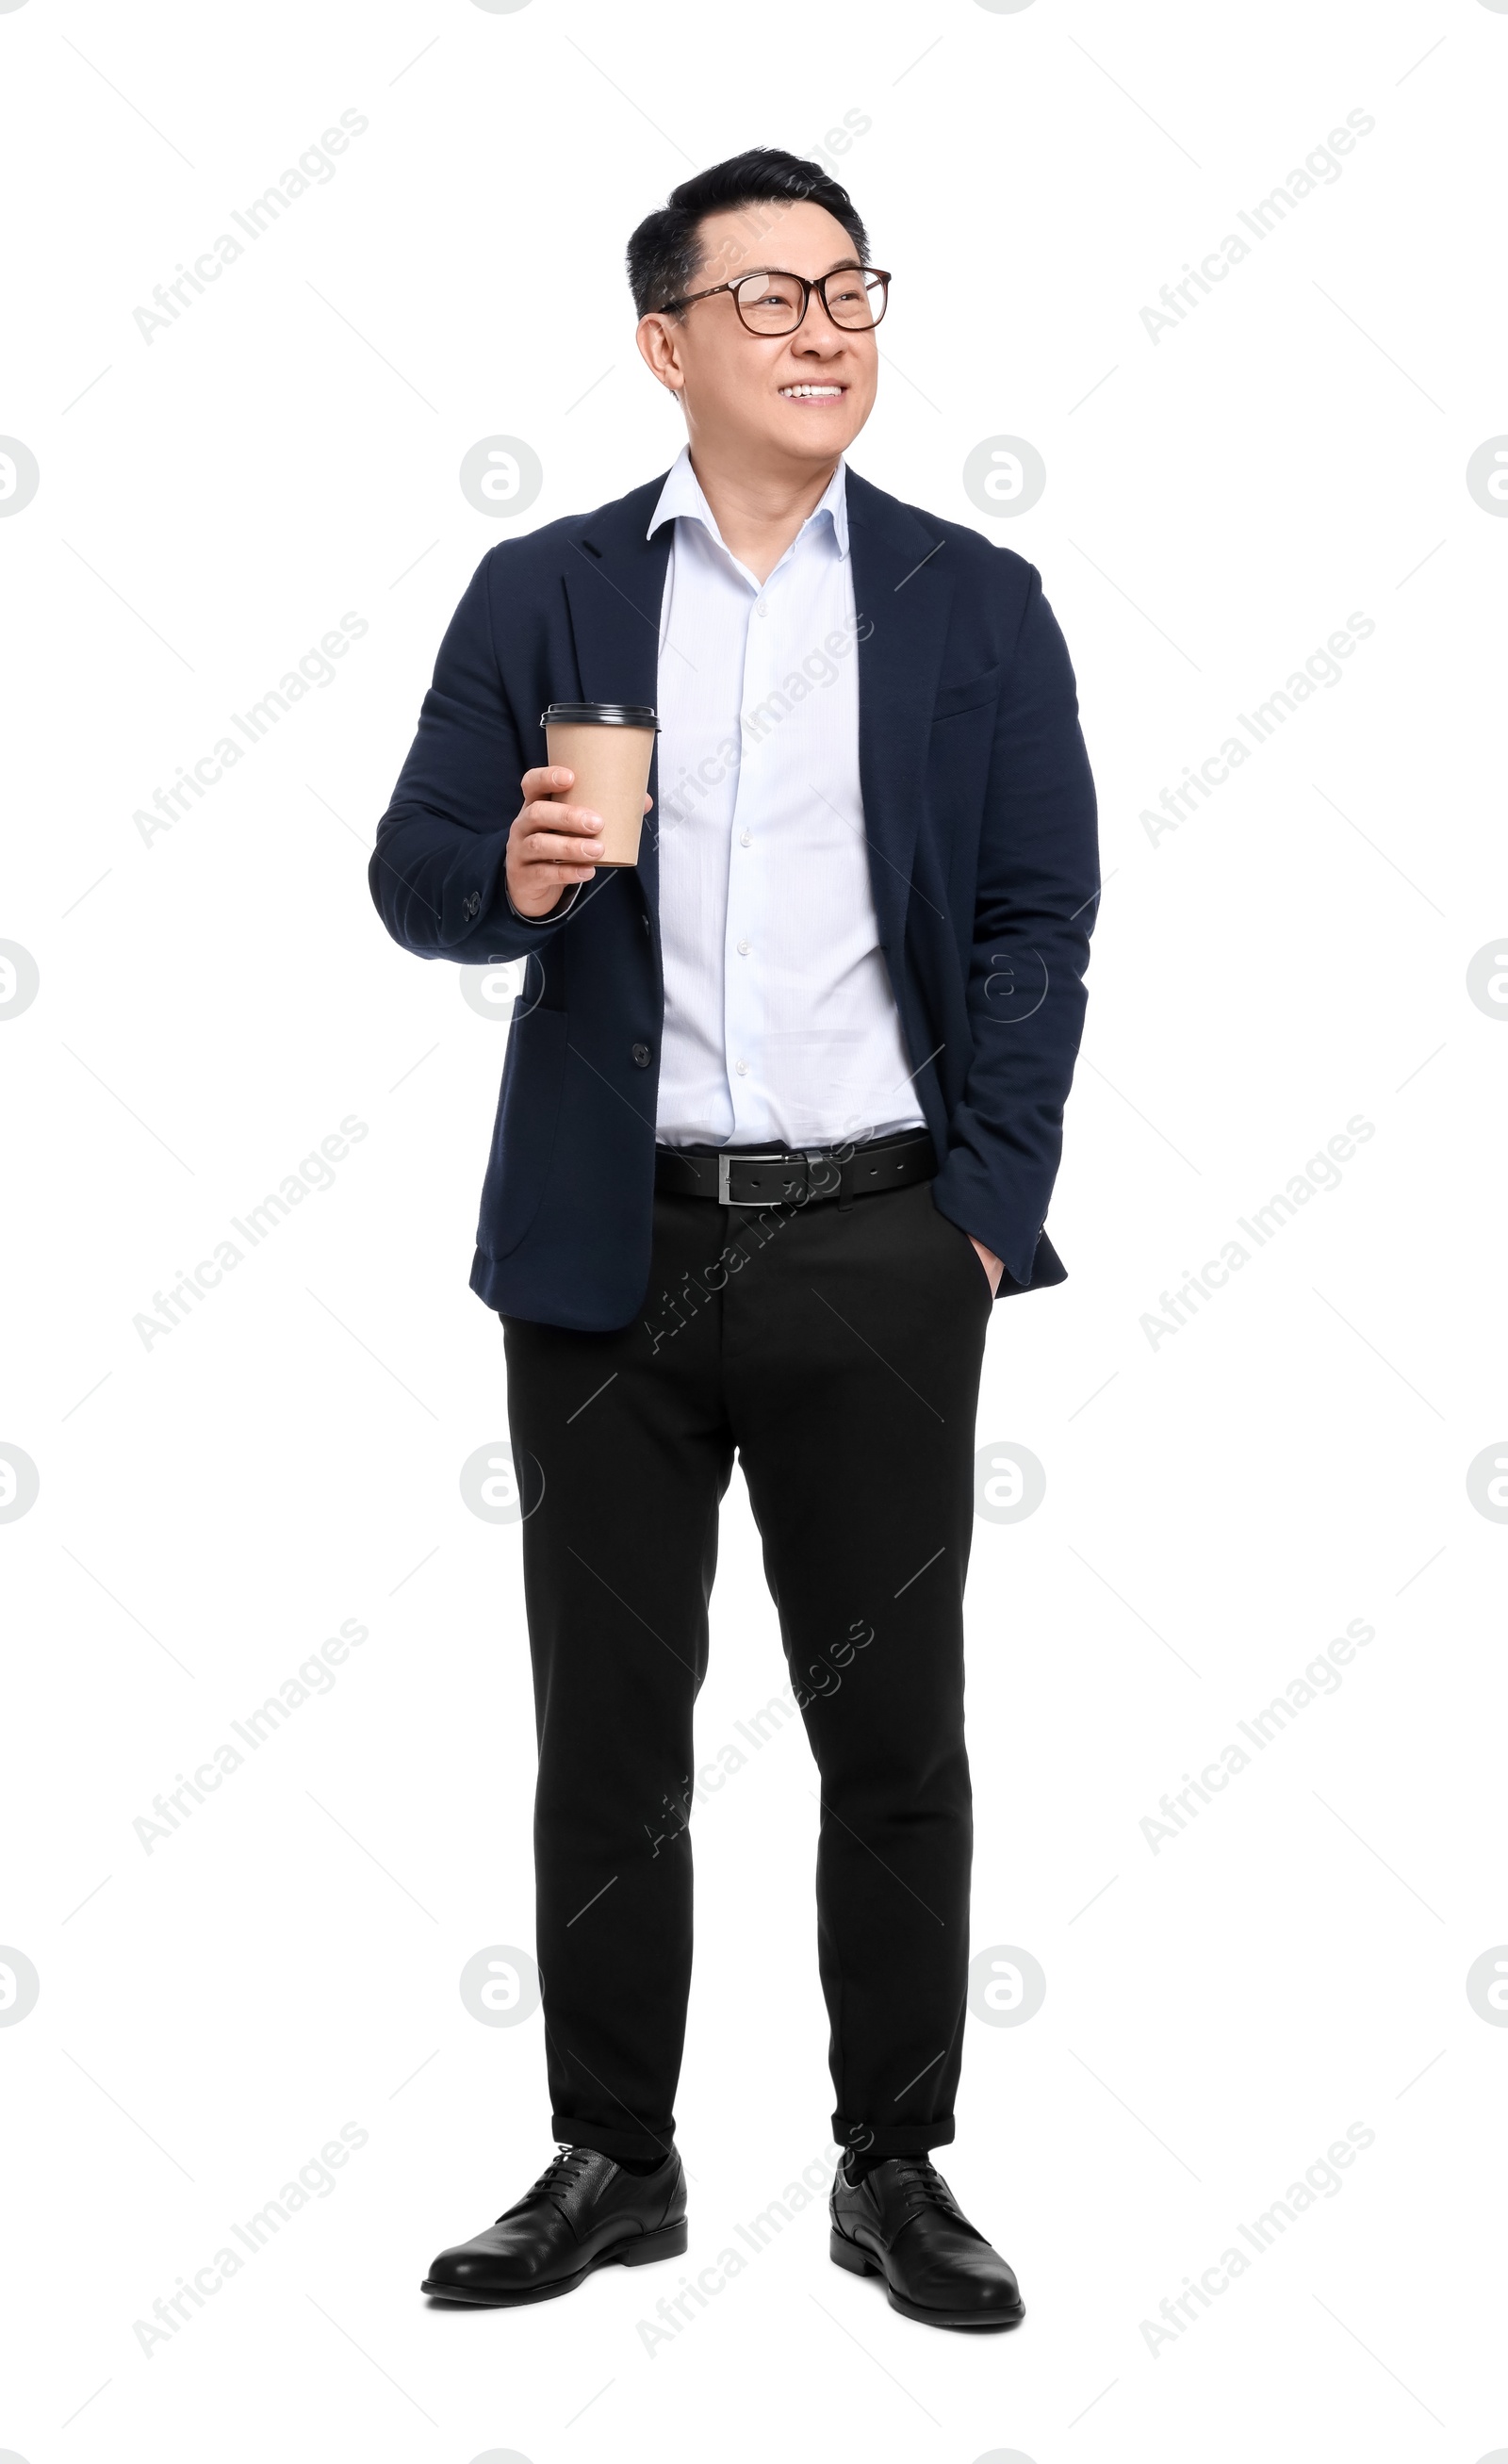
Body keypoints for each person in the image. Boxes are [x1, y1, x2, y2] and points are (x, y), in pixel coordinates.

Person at [369, 148, 1099, 2331]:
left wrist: (979, 1214)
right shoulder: (548, 595)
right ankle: (615, 2155)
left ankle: (893, 2162)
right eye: (767, 298)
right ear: (663, 344)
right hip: (604, 1250)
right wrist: (511, 872)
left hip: (877, 1241)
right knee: (607, 1726)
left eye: (849, 289)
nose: (821, 330)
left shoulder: (974, 601)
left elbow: (1033, 919)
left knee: (892, 1730)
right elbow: (409, 878)